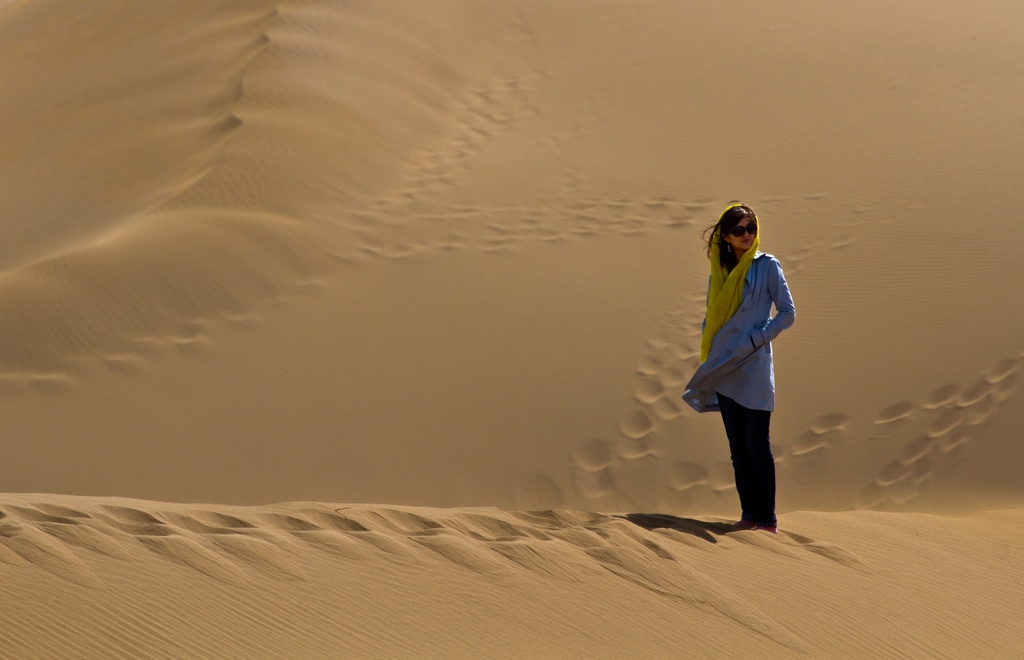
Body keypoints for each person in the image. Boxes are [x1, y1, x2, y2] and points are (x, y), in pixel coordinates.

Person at [681, 202, 795, 533]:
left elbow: (788, 313)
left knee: (757, 445)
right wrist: (709, 348)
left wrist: (758, 339)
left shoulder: (767, 265)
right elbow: (712, 314)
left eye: (752, 228)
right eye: (740, 230)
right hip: (724, 363)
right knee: (737, 449)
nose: (747, 235)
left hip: (753, 363)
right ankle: (749, 515)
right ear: (727, 236)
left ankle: (767, 519)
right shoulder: (720, 269)